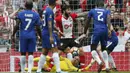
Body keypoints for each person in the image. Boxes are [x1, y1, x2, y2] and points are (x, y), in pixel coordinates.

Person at [11, 0, 41, 73]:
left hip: (23, 36)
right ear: (32, 6)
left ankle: (23, 70)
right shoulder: (36, 15)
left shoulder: (21, 14)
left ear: (25, 6)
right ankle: (30, 71)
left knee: (23, 53)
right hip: (32, 36)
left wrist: (13, 35)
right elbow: (38, 28)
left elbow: (17, 25)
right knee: (31, 53)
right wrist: (41, 37)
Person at [83, 0, 111, 73]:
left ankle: (99, 62)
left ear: (96, 5)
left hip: (97, 30)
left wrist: (84, 31)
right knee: (104, 49)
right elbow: (108, 19)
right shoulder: (106, 11)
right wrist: (109, 29)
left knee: (93, 48)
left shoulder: (92, 10)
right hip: (104, 30)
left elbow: (87, 21)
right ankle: (107, 66)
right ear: (103, 5)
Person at [36, 0, 62, 73]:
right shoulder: (50, 11)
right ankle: (58, 70)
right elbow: (50, 23)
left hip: (44, 32)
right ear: (54, 3)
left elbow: (49, 23)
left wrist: (57, 30)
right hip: (48, 33)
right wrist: (51, 36)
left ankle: (38, 70)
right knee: (55, 50)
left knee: (45, 51)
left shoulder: (46, 10)